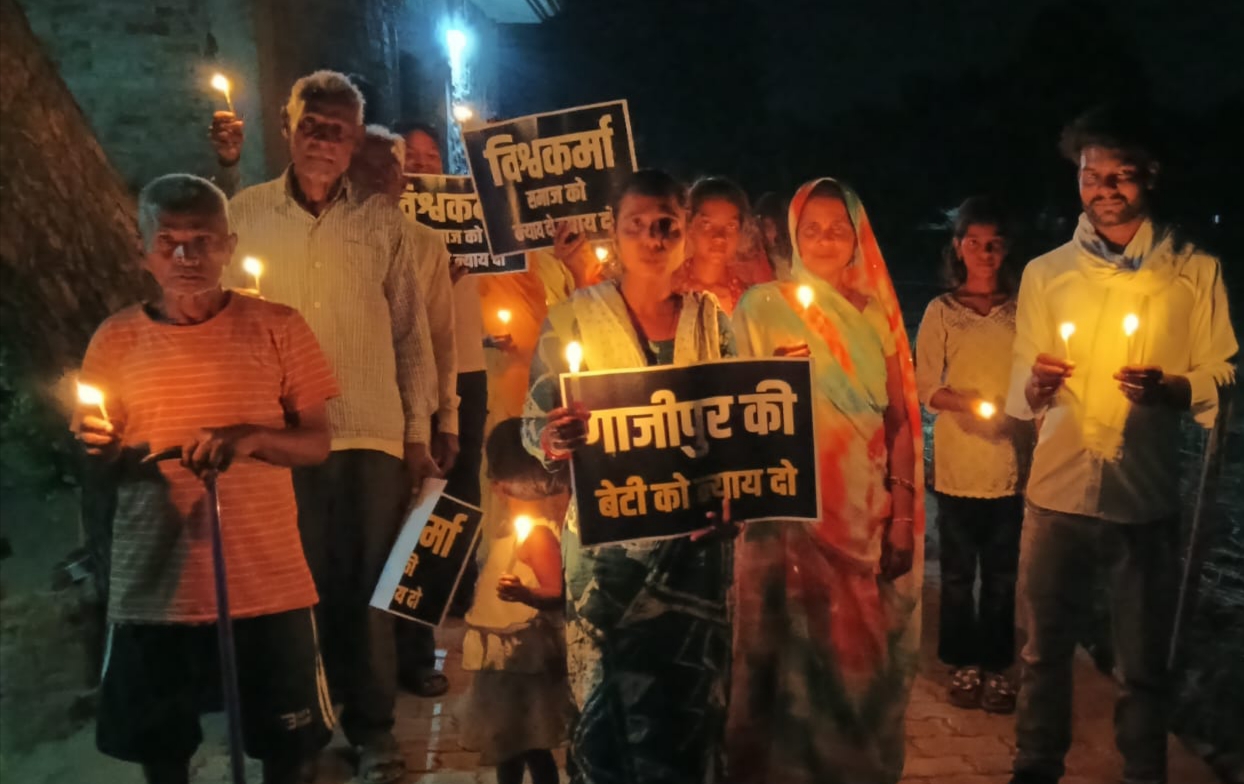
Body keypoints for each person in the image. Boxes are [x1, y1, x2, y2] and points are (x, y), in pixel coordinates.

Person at [77, 174, 339, 784]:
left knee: (290, 752)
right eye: (168, 241)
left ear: (229, 245)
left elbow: (317, 443)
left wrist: (251, 437)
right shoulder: (114, 340)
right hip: (155, 585)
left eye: (201, 240)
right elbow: (94, 463)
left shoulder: (278, 326)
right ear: (142, 251)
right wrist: (100, 449)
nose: (186, 256)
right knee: (161, 755)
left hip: (266, 581)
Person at [1006, 107, 1237, 784]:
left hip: (1142, 498)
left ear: (1150, 176)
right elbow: (1020, 381)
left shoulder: (1193, 272)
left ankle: (1143, 771)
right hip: (1056, 492)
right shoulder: (1047, 273)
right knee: (1042, 650)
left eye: (1120, 175)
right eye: (1091, 176)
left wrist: (1173, 388)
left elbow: (1225, 372)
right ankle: (1036, 764)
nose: (1104, 189)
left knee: (1142, 661)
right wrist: (1037, 384)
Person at [225, 71, 441, 784]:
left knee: (371, 590)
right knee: (297, 591)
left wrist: (418, 436)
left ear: (353, 144)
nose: (322, 141)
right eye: (311, 125)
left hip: (372, 433)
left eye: (338, 131)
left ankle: (374, 730)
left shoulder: (382, 224)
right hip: (283, 435)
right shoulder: (245, 214)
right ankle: (305, 730)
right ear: (288, 128)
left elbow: (410, 336)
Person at [523, 170, 737, 784]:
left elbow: (735, 434)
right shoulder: (574, 318)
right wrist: (554, 437)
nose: (652, 238)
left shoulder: (712, 322)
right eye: (635, 226)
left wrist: (737, 496)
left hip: (694, 555)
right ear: (613, 235)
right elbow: (533, 424)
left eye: (666, 224)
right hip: (604, 561)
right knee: (607, 715)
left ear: (686, 230)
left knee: (687, 710)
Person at [728, 178, 924, 784]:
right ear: (792, 236)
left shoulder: (878, 314)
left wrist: (903, 517)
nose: (824, 240)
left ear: (858, 238)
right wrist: (769, 377)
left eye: (838, 228)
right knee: (785, 652)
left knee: (855, 656)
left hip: (861, 510)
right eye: (810, 229)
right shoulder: (762, 306)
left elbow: (899, 420)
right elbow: (731, 411)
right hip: (785, 515)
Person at [915, 196, 1029, 714]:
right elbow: (924, 387)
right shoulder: (942, 312)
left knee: (1003, 575)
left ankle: (998, 664)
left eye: (994, 244)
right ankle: (962, 662)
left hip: (1009, 463)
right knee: (959, 574)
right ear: (958, 247)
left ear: (1006, 249)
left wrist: (1022, 408)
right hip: (959, 465)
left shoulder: (1022, 310)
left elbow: (1032, 378)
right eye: (975, 243)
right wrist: (967, 404)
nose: (985, 253)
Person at [456, 418, 576, 784]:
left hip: (524, 662)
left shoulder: (538, 537)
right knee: (507, 745)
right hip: (502, 663)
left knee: (528, 745)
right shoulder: (506, 532)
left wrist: (525, 594)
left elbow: (555, 593)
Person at [672, 176, 774, 313]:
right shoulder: (668, 289)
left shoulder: (747, 301)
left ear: (741, 232)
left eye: (730, 226)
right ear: (689, 225)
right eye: (707, 224)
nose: (719, 237)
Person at [754, 191, 793, 280]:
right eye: (766, 226)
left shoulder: (796, 261)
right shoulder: (754, 262)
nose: (771, 233)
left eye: (777, 227)